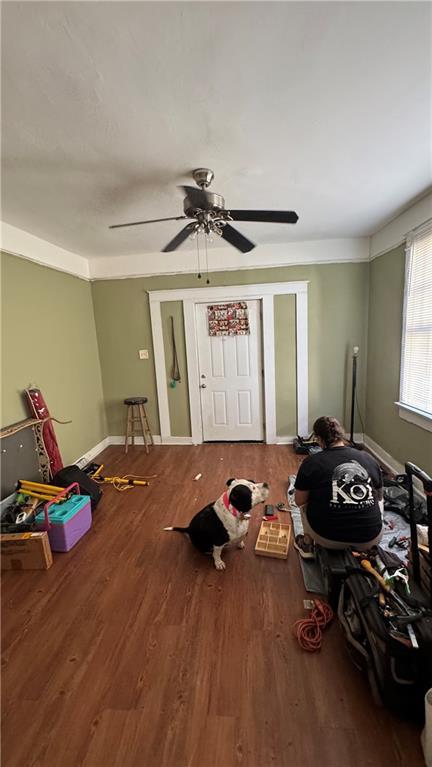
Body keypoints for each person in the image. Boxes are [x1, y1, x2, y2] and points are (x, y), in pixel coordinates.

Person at [293, 415, 383, 559]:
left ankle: (307, 544)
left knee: (304, 504)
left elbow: (299, 501)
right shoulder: (368, 458)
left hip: (328, 538)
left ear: (318, 439)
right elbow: (378, 498)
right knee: (377, 500)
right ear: (341, 435)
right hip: (371, 538)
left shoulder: (311, 462)